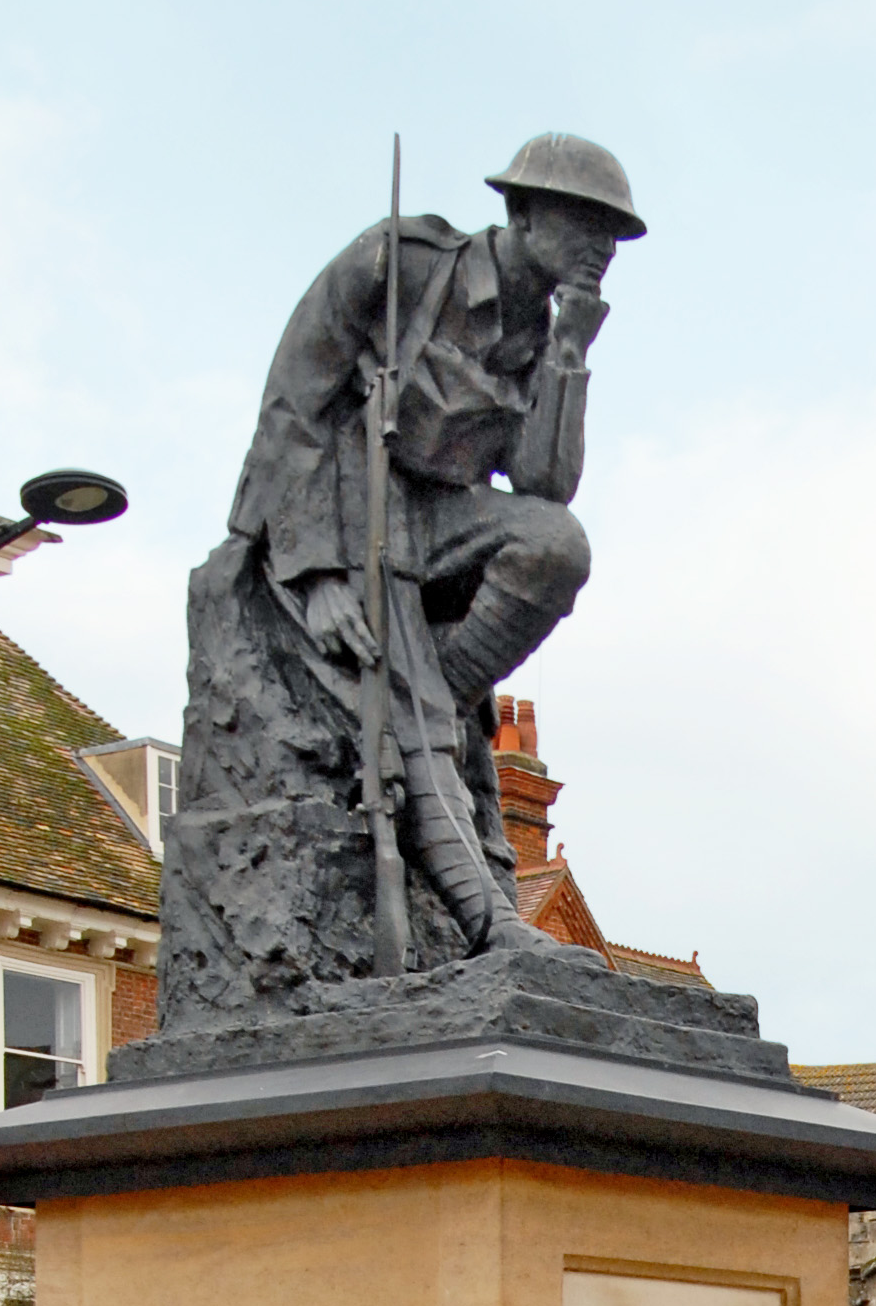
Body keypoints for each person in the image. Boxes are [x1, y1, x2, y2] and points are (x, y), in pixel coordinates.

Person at [175, 135, 644, 981]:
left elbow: (545, 485)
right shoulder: (402, 266)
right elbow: (293, 406)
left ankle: (437, 698)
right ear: (526, 213)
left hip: (443, 526)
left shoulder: (542, 332)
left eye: (614, 234)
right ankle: (486, 916)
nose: (602, 248)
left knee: (555, 549)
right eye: (587, 224)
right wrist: (312, 573)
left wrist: (574, 349)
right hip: (351, 507)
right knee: (420, 714)